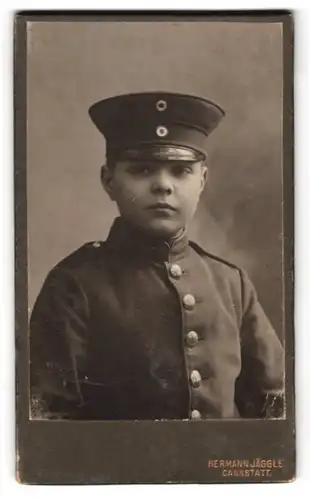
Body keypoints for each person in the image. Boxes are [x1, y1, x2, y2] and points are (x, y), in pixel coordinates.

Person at [30, 91, 284, 420]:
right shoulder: (74, 286)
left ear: (202, 180)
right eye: (142, 170)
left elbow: (275, 407)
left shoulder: (230, 284)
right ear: (109, 181)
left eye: (180, 171)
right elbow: (50, 424)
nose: (163, 185)